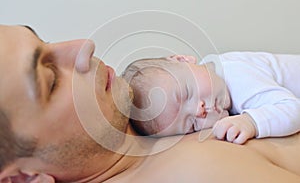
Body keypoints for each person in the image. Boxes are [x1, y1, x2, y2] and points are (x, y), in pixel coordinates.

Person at [0, 24, 300, 183]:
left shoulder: (157, 107)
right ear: (23, 178)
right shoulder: (195, 173)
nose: (82, 46)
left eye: (46, 40)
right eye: (51, 80)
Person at [122, 53, 300, 144]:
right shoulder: (211, 74)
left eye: (187, 93)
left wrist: (251, 122)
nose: (199, 111)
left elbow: (293, 109)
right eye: (192, 124)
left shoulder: (237, 76)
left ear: (183, 59)